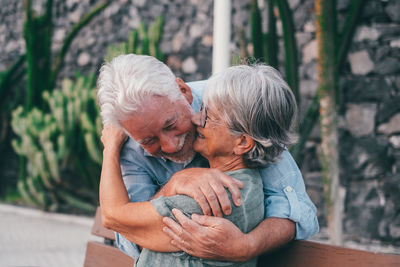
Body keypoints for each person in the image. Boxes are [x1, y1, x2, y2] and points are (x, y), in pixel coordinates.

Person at [97, 54, 319, 262]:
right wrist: (174, 185)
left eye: (171, 125)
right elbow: (126, 230)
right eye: (148, 141)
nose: (170, 146)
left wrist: (245, 247)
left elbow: (293, 207)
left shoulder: (234, 103)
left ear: (183, 91)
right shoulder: (129, 141)